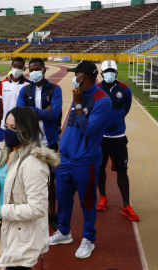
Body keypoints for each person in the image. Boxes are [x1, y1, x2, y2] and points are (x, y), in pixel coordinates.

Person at [0, 106, 59, 270]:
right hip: (9, 226)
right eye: (6, 127)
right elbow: (8, 186)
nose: (8, 132)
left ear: (27, 131)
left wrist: (0, 210)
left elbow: (38, 209)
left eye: (13, 128)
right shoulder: (5, 152)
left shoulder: (34, 163)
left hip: (23, 234)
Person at [49, 61, 112, 259]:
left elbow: (88, 130)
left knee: (87, 202)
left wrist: (77, 104)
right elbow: (72, 124)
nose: (74, 77)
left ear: (83, 77)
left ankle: (88, 239)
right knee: (64, 198)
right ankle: (64, 232)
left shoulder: (102, 100)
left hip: (85, 161)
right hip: (65, 159)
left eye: (76, 74)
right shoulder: (79, 94)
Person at [16, 58, 63, 231]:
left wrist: (32, 111)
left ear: (44, 70)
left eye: (37, 68)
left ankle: (52, 213)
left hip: (49, 142)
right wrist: (44, 111)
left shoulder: (55, 89)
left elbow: (55, 113)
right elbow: (20, 114)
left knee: (50, 181)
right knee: (28, 178)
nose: (34, 71)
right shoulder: (25, 89)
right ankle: (30, 211)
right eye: (31, 68)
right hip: (29, 142)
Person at [97, 60, 139, 221]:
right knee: (100, 168)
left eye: (112, 71)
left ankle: (126, 205)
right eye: (106, 71)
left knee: (122, 171)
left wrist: (117, 120)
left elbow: (126, 108)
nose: (109, 74)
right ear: (101, 73)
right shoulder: (96, 89)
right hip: (100, 138)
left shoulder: (125, 90)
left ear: (116, 73)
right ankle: (103, 197)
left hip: (118, 138)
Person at [0, 57, 29, 144]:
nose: (17, 69)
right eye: (15, 66)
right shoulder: (3, 84)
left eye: (19, 67)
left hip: (20, 127)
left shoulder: (28, 85)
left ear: (24, 69)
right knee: (2, 153)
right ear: (11, 67)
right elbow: (0, 107)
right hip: (4, 126)